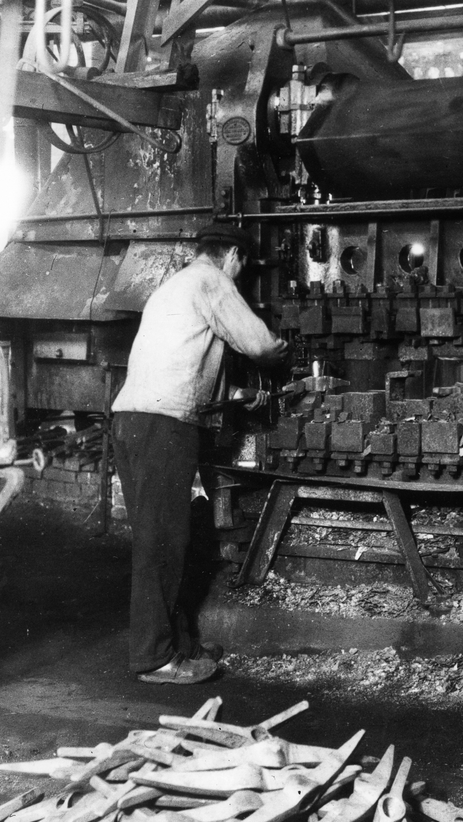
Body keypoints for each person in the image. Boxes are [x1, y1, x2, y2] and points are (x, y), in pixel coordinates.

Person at [111, 224, 288, 684]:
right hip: (163, 425)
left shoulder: (178, 284)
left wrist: (238, 392)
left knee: (164, 538)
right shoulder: (214, 281)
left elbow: (190, 356)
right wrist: (282, 353)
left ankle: (180, 644)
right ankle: (154, 658)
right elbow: (260, 343)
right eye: (243, 265)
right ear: (233, 256)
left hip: (135, 420)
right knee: (164, 543)